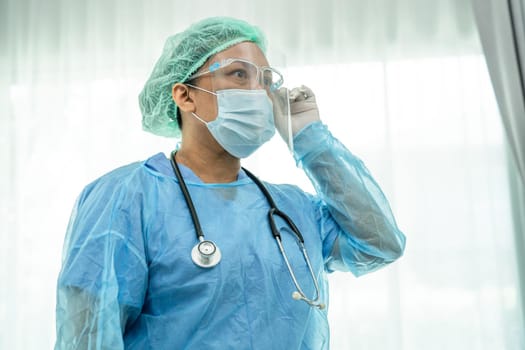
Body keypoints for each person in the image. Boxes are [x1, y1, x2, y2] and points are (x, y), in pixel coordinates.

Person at [55, 16, 406, 350]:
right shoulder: (126, 197)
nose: (259, 93)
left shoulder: (291, 207)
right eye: (239, 74)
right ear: (184, 95)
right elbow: (88, 337)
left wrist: (311, 141)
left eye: (267, 82)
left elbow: (379, 244)